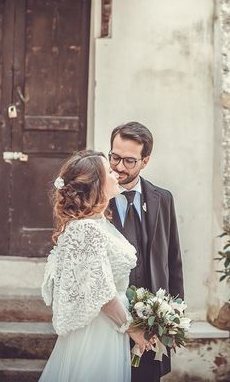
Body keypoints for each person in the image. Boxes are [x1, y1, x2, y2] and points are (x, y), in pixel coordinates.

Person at [39, 150, 154, 382]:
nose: (116, 173)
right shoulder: (85, 229)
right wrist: (132, 328)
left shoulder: (99, 223)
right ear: (97, 184)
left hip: (111, 326)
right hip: (98, 331)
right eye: (109, 171)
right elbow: (102, 293)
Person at [108, 122, 184, 382]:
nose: (119, 167)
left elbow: (173, 262)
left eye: (129, 161)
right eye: (115, 157)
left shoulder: (163, 199)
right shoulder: (95, 199)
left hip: (153, 324)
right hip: (109, 322)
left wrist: (174, 316)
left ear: (145, 161)